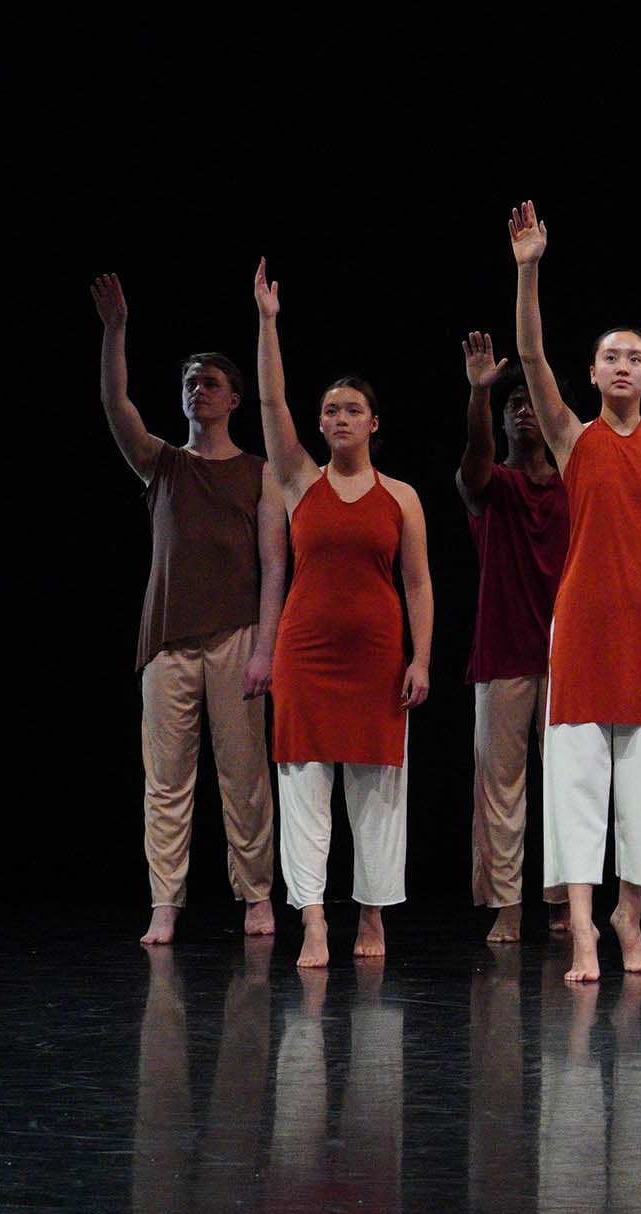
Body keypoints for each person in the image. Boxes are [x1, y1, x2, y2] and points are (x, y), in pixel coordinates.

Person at [509, 201, 641, 982]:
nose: (622, 367)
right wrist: (529, 268)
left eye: (635, 358)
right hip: (585, 625)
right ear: (592, 374)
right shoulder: (571, 435)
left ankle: (631, 916)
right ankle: (587, 928)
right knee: (577, 783)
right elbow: (529, 357)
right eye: (610, 358)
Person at [254, 260, 434, 970]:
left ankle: (372, 917)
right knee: (302, 786)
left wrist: (422, 657)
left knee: (379, 791)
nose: (336, 419)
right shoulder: (298, 480)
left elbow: (418, 584)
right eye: (329, 410)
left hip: (378, 658)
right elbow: (271, 411)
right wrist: (268, 323)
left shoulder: (403, 497)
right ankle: (313, 918)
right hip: (307, 653)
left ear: (374, 422)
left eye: (350, 410)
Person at [92, 274, 280, 945]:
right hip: (166, 639)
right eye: (189, 383)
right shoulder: (162, 463)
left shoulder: (259, 471)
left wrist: (266, 645)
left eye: (209, 384)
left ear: (231, 400)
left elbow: (275, 564)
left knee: (245, 777)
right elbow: (117, 405)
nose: (197, 390)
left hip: (236, 636)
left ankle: (256, 895)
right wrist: (116, 328)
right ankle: (164, 902)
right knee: (166, 781)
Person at [457, 332, 571, 944]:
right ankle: (505, 902)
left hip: (565, 658)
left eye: (533, 403)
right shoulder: (492, 485)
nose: (523, 411)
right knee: (499, 787)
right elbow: (473, 459)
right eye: (512, 405)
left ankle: (560, 898)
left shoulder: (577, 485)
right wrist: (479, 395)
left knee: (563, 786)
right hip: (501, 653)